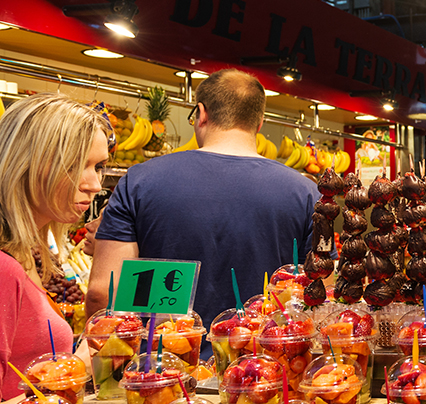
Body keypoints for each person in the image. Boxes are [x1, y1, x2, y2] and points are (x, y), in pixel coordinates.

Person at [86, 70, 319, 343]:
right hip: (262, 369)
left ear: (201, 113)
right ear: (259, 123)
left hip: (162, 368)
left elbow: (103, 293)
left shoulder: (139, 181)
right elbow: (318, 293)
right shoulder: (306, 192)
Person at [0, 93, 110, 400]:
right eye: (76, 165)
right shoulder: (4, 268)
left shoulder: (28, 254)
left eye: (98, 166)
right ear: (27, 163)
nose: (94, 184)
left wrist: (82, 361)